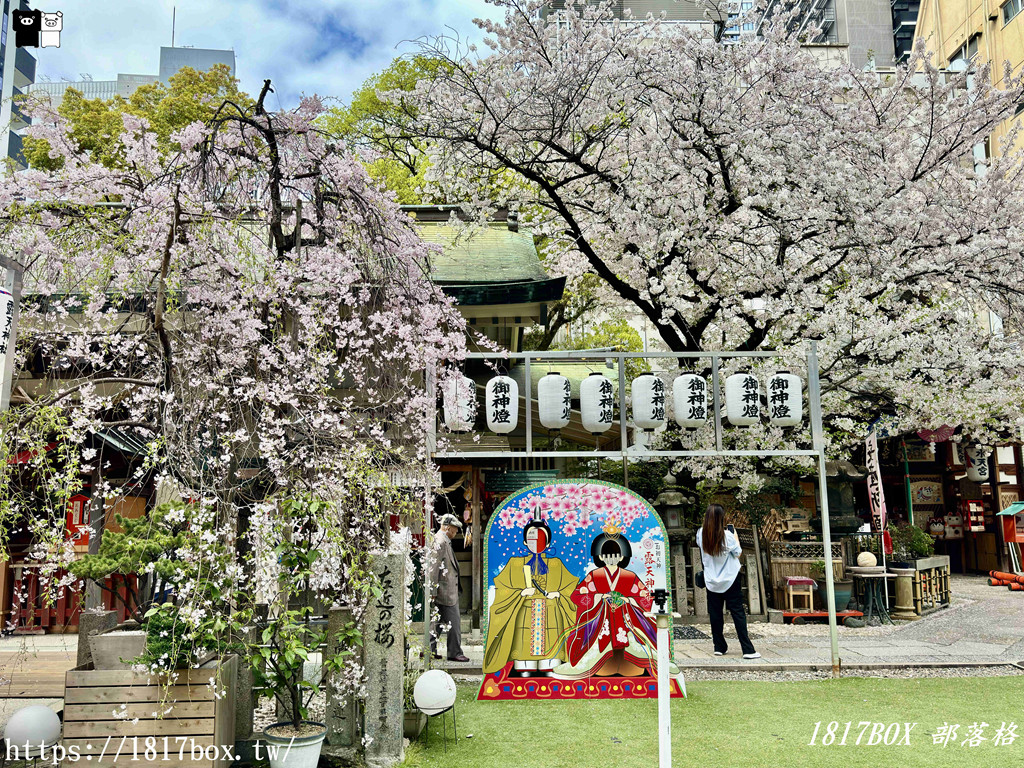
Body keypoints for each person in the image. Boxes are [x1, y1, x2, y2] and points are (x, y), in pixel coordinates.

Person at [553, 527, 679, 679]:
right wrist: (599, 597)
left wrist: (628, 600)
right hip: (600, 620)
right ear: (601, 557)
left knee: (637, 639)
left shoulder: (629, 576)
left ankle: (655, 660)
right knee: (597, 635)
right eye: (607, 555)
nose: (611, 559)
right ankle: (588, 661)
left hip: (627, 619)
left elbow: (644, 597)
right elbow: (578, 595)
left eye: (615, 555)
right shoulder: (594, 575)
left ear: (621, 557)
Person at [483, 518, 578, 677]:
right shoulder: (515, 564)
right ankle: (524, 667)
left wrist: (559, 594)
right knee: (524, 654)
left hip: (550, 612)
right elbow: (503, 587)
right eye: (531, 538)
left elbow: (571, 587)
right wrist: (520, 593)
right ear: (525, 542)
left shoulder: (555, 564)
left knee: (550, 654)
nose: (535, 543)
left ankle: (549, 664)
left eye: (540, 539)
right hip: (524, 611)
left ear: (547, 544)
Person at [697, 504, 760, 659]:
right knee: (738, 613)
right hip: (730, 579)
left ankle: (719, 646)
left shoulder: (700, 534)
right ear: (721, 518)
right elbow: (738, 553)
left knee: (715, 614)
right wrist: (735, 535)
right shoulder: (728, 536)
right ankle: (747, 649)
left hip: (711, 580)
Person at [427, 513, 470, 662]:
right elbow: (433, 568)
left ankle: (428, 650)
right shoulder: (440, 541)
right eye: (454, 528)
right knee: (454, 622)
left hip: (444, 589)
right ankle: (454, 652)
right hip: (444, 590)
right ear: (447, 527)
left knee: (437, 622)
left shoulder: (443, 540)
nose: (456, 531)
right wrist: (432, 590)